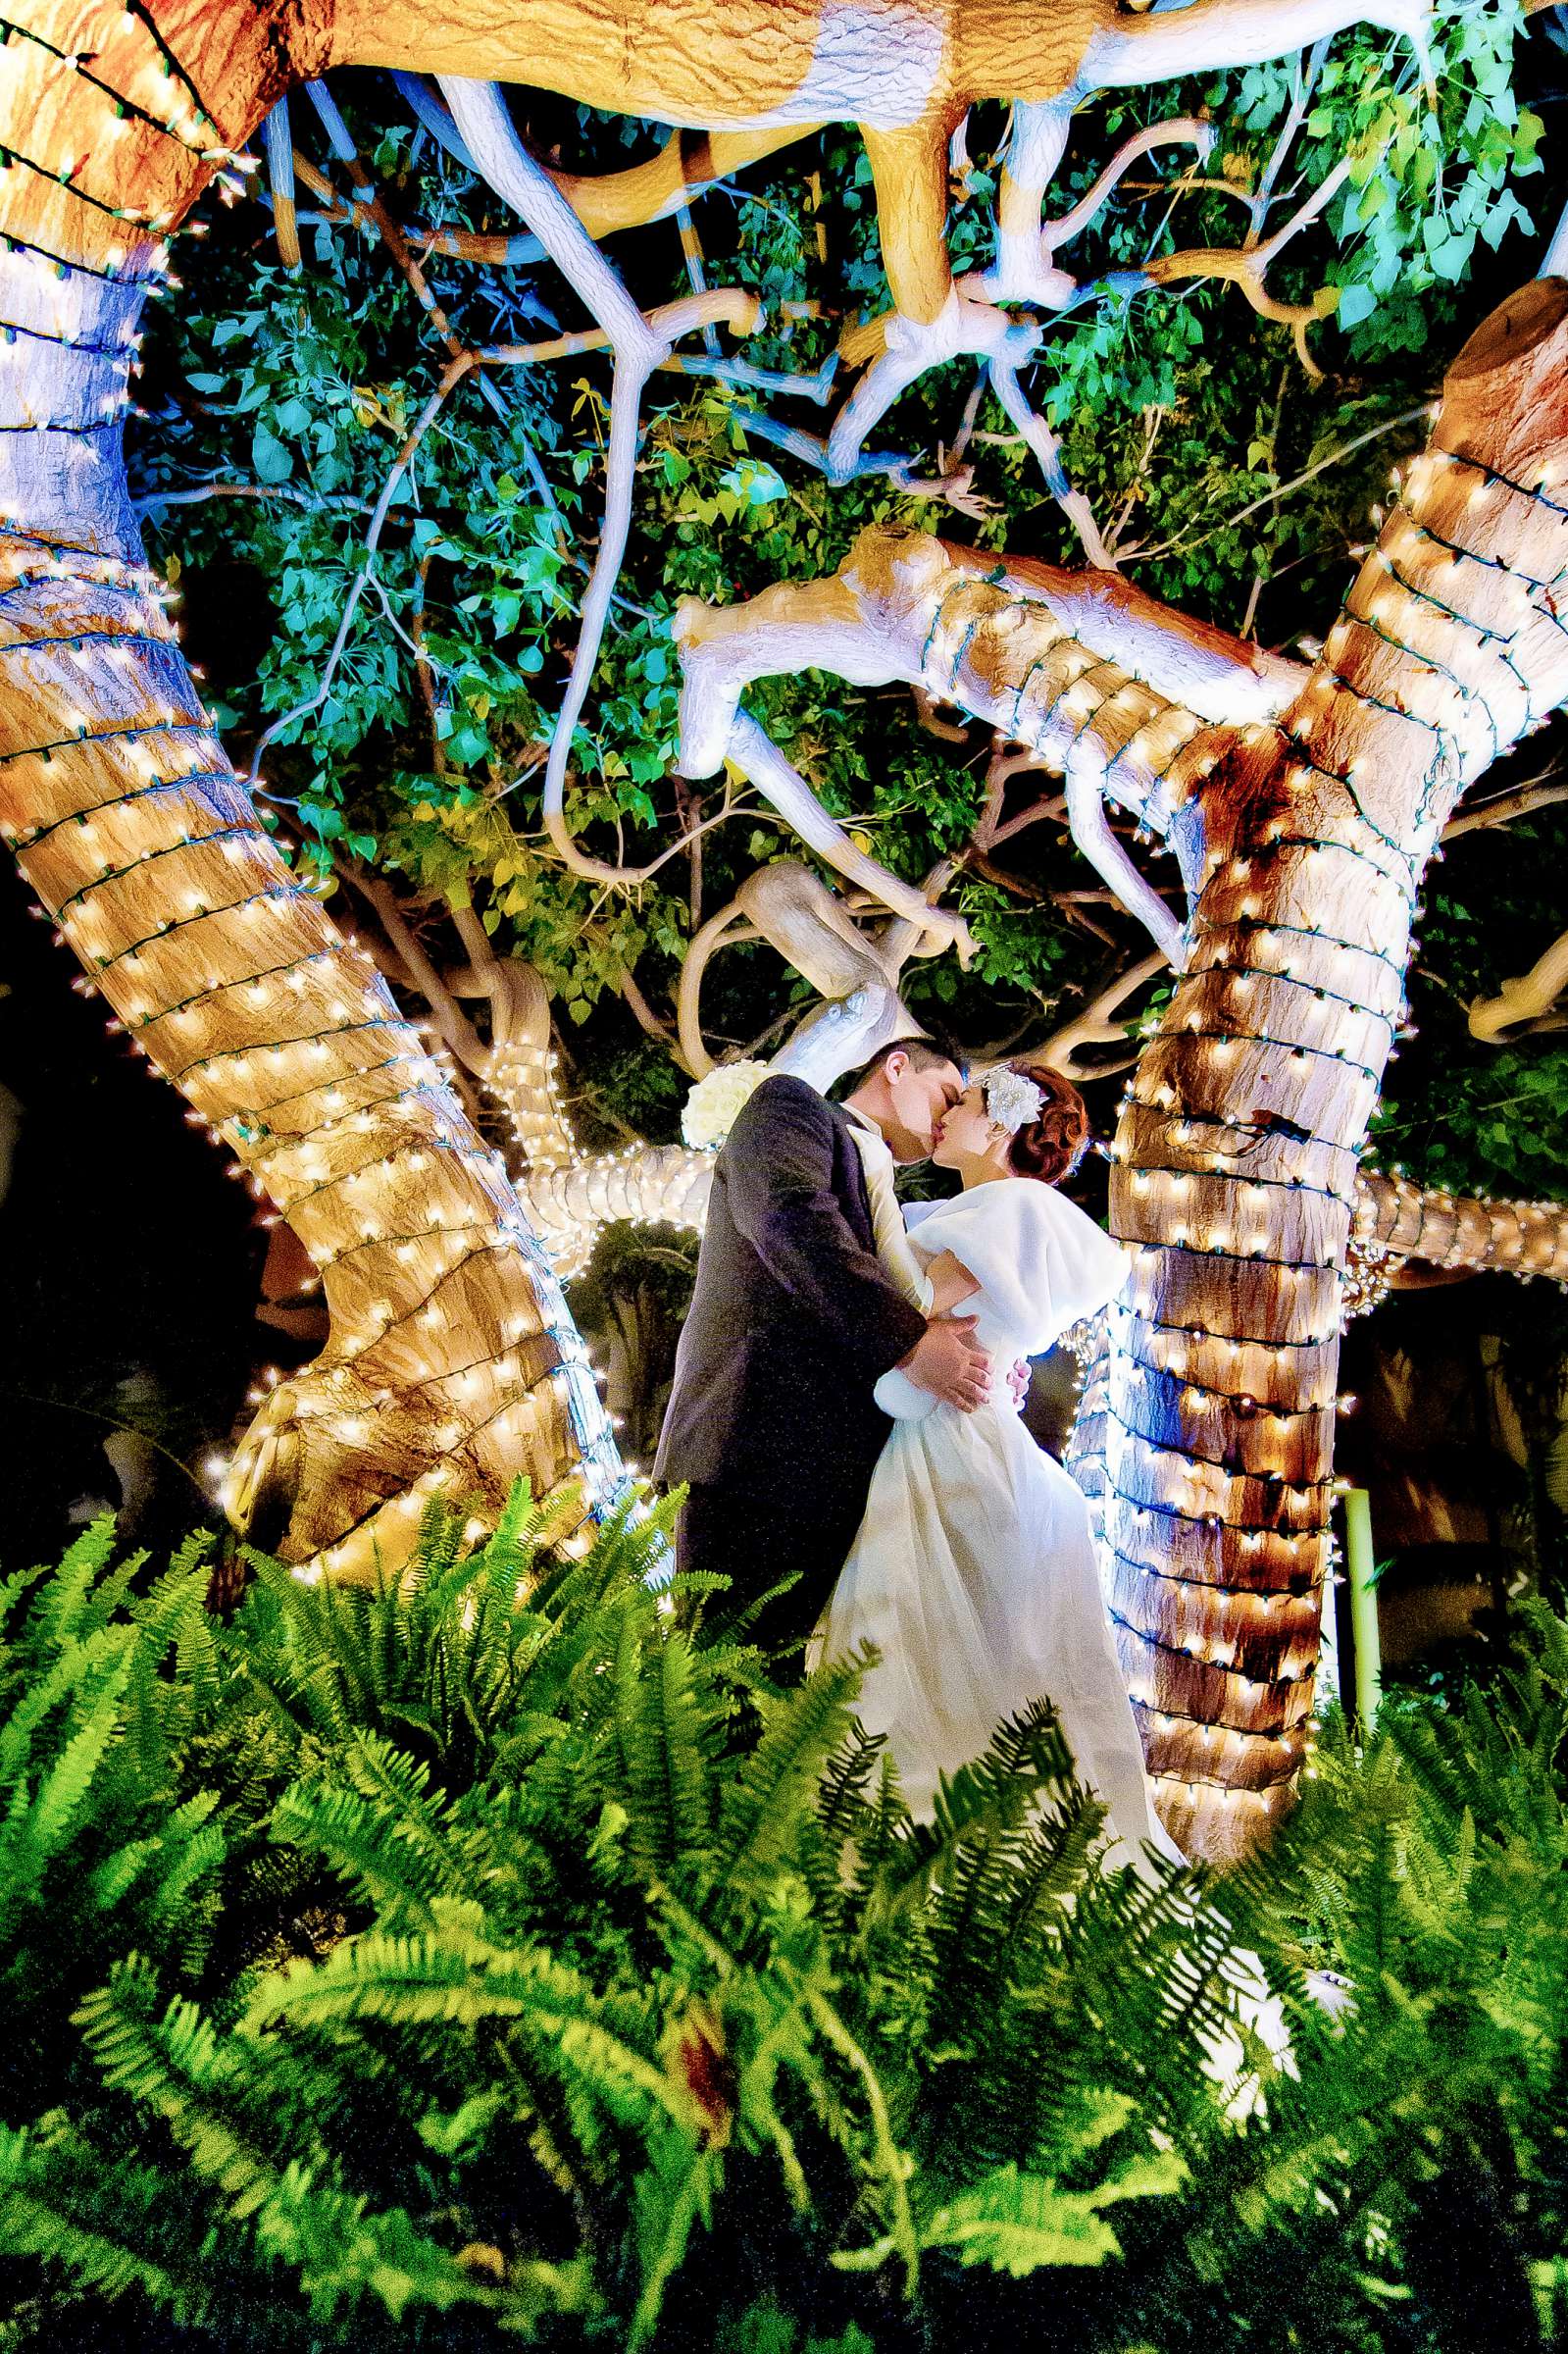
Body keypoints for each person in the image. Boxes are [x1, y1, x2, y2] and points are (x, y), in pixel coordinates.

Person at [808, 1057, 1186, 1875]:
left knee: (919, 1651)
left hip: (952, 1447)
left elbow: (913, 1306)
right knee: (943, 1662)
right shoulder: (980, 1208)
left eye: (966, 1102)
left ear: (1003, 1126)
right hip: (951, 1431)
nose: (945, 1115)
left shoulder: (1010, 1207)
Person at [653, 1038, 991, 1669]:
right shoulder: (792, 1107)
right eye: (944, 1095)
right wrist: (911, 1342)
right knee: (718, 1691)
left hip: (842, 1479)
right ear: (895, 1067)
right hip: (755, 1451)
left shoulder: (897, 1202)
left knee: (789, 1712)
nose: (947, 1118)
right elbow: (789, 1215)